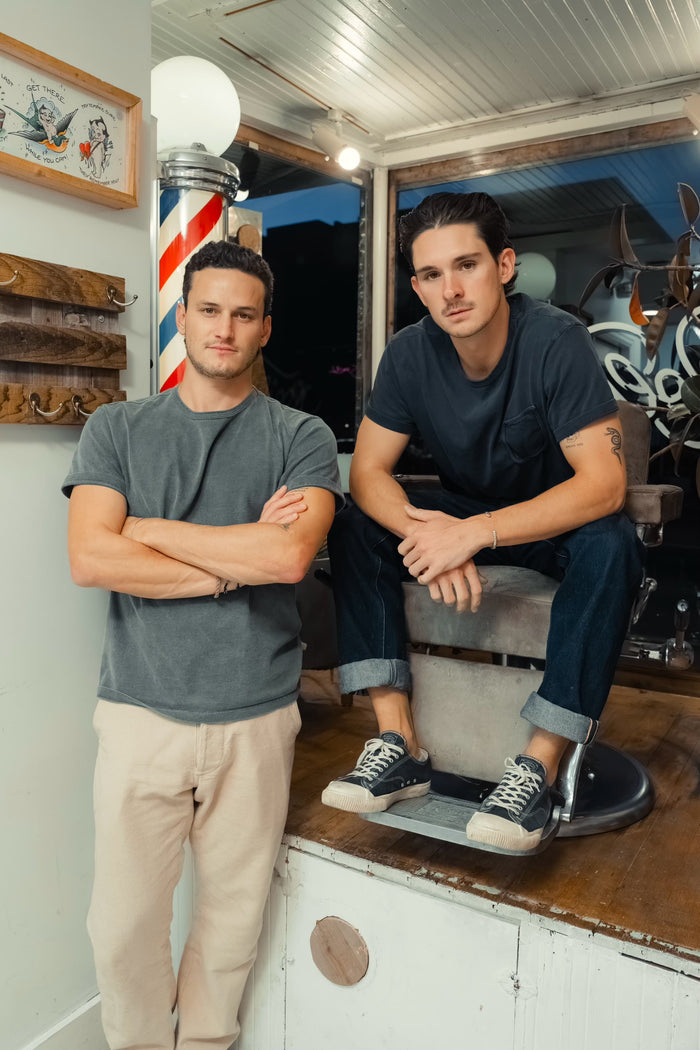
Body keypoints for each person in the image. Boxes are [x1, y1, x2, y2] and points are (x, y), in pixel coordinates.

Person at [63, 240, 341, 1050]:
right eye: (209, 310)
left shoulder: (301, 436)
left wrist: (147, 531)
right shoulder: (117, 428)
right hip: (140, 716)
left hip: (256, 720)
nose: (224, 328)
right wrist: (232, 561)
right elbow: (92, 559)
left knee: (228, 931)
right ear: (181, 316)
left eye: (243, 315)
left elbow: (286, 558)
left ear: (264, 329)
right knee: (120, 933)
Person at [322, 191, 643, 852]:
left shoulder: (556, 342)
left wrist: (473, 534)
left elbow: (606, 485)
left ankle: (537, 767)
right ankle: (397, 740)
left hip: (556, 524)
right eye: (433, 275)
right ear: (416, 286)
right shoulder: (410, 355)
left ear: (504, 266)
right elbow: (368, 473)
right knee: (355, 521)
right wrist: (430, 533)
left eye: (466, 265)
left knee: (614, 543)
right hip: (465, 513)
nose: (452, 289)